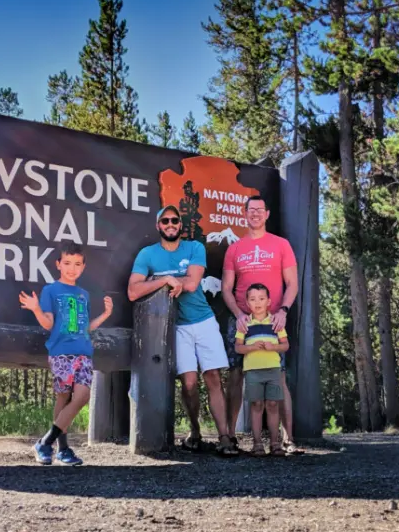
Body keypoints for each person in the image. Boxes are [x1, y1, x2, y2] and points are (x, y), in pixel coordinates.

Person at [127, 205, 238, 456]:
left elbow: (192, 283)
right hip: (175, 327)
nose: (170, 224)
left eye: (174, 220)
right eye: (164, 220)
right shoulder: (147, 254)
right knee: (188, 384)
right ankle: (195, 432)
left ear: (180, 224)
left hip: (203, 320)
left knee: (213, 378)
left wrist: (168, 282)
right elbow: (133, 291)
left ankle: (224, 437)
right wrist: (166, 280)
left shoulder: (194, 248)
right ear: (158, 226)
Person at [19, 243, 113, 466]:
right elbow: (48, 324)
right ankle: (63, 449)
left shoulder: (84, 295)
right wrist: (35, 309)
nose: (72, 268)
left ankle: (45, 442)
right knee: (64, 397)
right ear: (59, 265)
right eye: (68, 263)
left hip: (84, 353)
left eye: (77, 264)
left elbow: (85, 327)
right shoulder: (50, 290)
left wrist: (106, 315)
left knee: (81, 396)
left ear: (83, 267)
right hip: (61, 352)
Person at [221, 195, 301, 454]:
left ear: (266, 214)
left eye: (259, 210)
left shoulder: (281, 245)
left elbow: (292, 284)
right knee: (235, 376)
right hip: (242, 319)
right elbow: (226, 288)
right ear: (244, 215)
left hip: (273, 319)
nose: (255, 214)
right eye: (250, 210)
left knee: (279, 376)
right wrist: (239, 315)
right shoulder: (234, 248)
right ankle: (230, 437)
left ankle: (288, 439)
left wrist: (284, 312)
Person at [234, 283, 289, 456]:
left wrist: (273, 347)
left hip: (273, 370)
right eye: (252, 299)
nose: (257, 302)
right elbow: (238, 348)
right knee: (256, 404)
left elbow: (285, 345)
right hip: (252, 371)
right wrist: (251, 348)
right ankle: (257, 444)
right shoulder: (244, 324)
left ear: (269, 302)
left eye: (261, 298)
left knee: (273, 404)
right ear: (247, 303)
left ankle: (275, 443)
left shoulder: (275, 322)